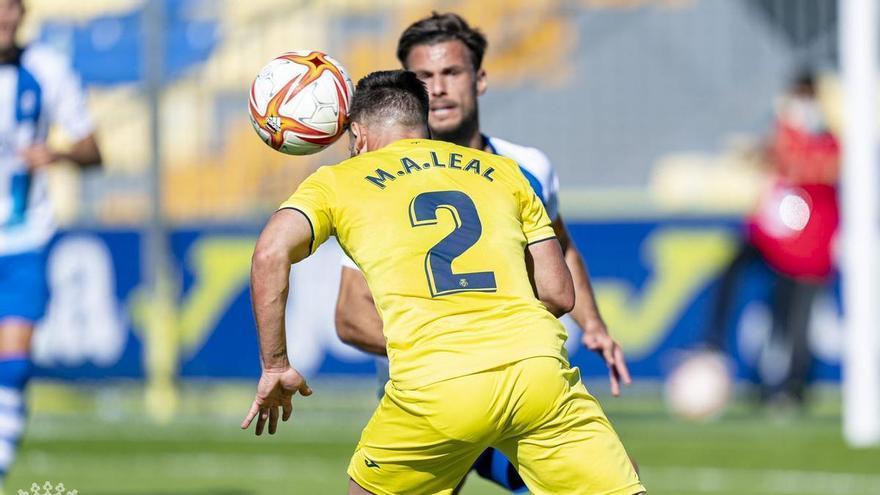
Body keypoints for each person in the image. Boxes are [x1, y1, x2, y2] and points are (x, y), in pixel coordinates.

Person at [242, 70, 645, 495]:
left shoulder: (337, 181)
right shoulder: (504, 172)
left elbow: (270, 254)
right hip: (536, 372)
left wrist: (275, 365)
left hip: (435, 384)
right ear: (425, 123)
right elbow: (560, 295)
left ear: (357, 135)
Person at [334, 13, 632, 491]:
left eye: (451, 72)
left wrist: (593, 325)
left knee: (611, 474)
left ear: (481, 77)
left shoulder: (527, 167)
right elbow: (350, 315)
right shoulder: (378, 184)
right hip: (428, 401)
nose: (439, 89)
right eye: (424, 78)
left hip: (514, 386)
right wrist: (450, 347)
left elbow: (562, 249)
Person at [0, 0, 102, 486]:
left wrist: (56, 152)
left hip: (23, 237)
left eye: (12, 8)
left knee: (14, 367)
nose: (5, 18)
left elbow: (92, 147)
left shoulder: (47, 70)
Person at [703, 71, 839, 407]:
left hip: (811, 242)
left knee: (796, 317)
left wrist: (783, 150)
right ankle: (713, 340)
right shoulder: (783, 134)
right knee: (734, 266)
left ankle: (792, 388)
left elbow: (822, 168)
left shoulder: (827, 140)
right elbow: (768, 159)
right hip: (777, 235)